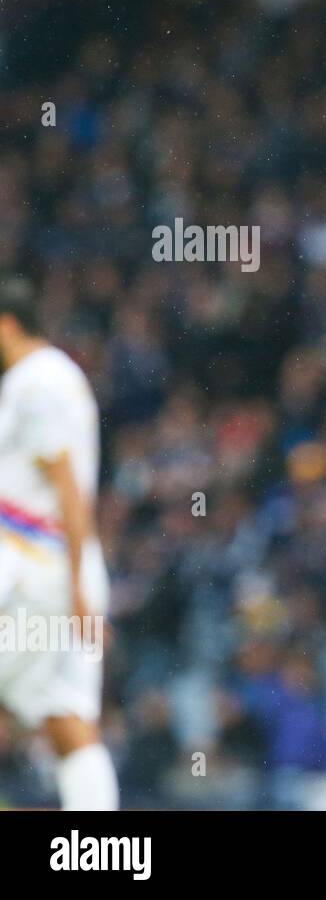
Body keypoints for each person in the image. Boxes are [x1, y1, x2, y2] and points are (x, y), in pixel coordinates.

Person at [0, 276, 119, 809]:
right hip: (63, 565)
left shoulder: (34, 380)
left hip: (36, 568)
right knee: (68, 718)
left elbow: (67, 484)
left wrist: (76, 586)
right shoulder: (61, 376)